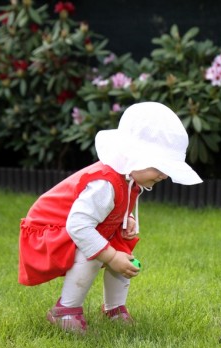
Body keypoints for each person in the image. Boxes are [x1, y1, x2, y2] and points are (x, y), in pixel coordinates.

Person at [18, 102, 202, 333]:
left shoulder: (129, 178)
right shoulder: (104, 183)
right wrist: (111, 256)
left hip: (78, 226)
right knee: (94, 253)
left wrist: (126, 221)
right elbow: (79, 225)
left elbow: (113, 209)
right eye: (159, 166)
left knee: (121, 253)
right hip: (49, 230)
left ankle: (114, 309)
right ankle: (65, 311)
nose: (164, 175)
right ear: (135, 157)